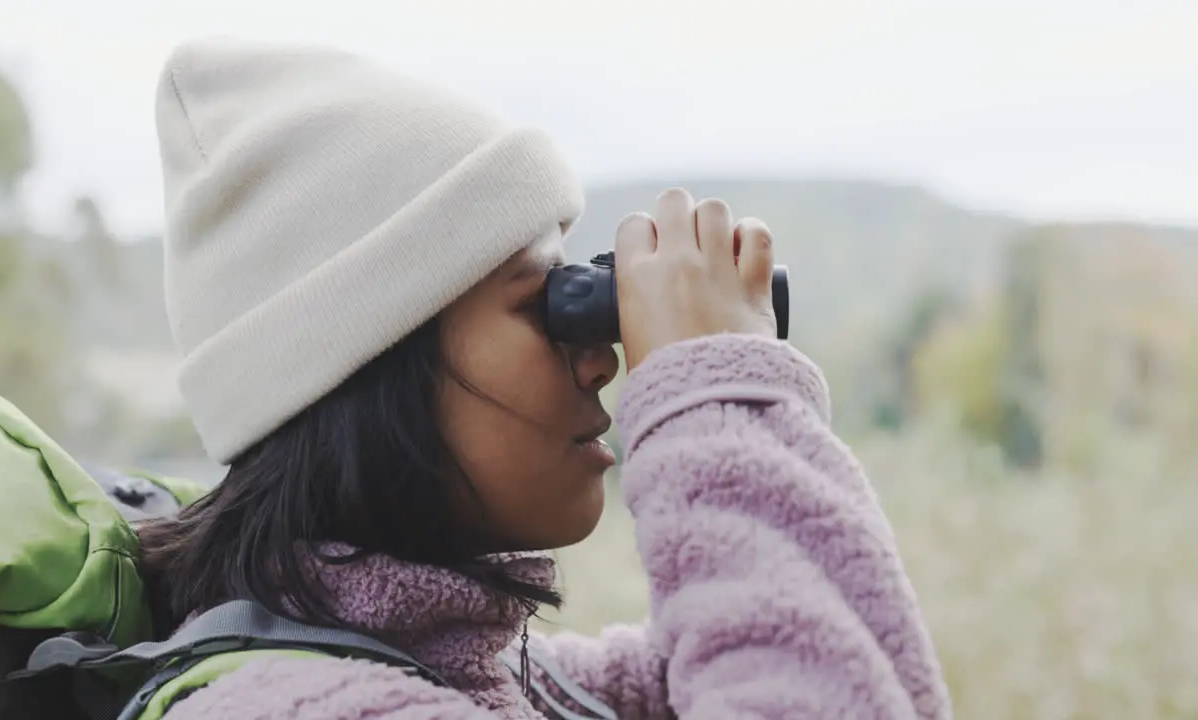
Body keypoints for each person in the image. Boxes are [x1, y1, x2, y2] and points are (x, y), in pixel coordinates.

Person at [134, 37, 952, 720]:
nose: (603, 356)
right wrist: (712, 392)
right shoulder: (285, 709)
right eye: (545, 305)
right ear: (369, 361)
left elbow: (835, 662)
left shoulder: (482, 679)